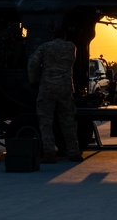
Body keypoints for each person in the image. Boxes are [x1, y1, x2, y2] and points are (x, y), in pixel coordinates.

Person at [27, 31, 82, 163]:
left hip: (48, 89)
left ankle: (49, 154)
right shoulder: (71, 47)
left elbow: (33, 63)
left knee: (46, 122)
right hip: (65, 89)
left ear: (52, 37)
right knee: (68, 122)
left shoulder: (45, 47)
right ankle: (74, 153)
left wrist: (32, 80)